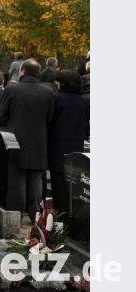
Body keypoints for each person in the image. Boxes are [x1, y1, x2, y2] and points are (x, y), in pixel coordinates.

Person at [0, 59, 55, 222]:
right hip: (39, 139)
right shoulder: (48, 92)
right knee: (36, 177)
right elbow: (50, 117)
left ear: (22, 71)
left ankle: (17, 212)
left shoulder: (11, 90)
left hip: (15, 139)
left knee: (18, 177)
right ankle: (34, 213)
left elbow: (2, 114)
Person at [48, 70, 89, 214]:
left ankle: (59, 212)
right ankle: (73, 213)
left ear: (62, 83)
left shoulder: (56, 99)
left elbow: (50, 121)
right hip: (76, 145)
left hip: (57, 145)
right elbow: (86, 125)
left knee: (58, 182)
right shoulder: (84, 100)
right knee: (74, 182)